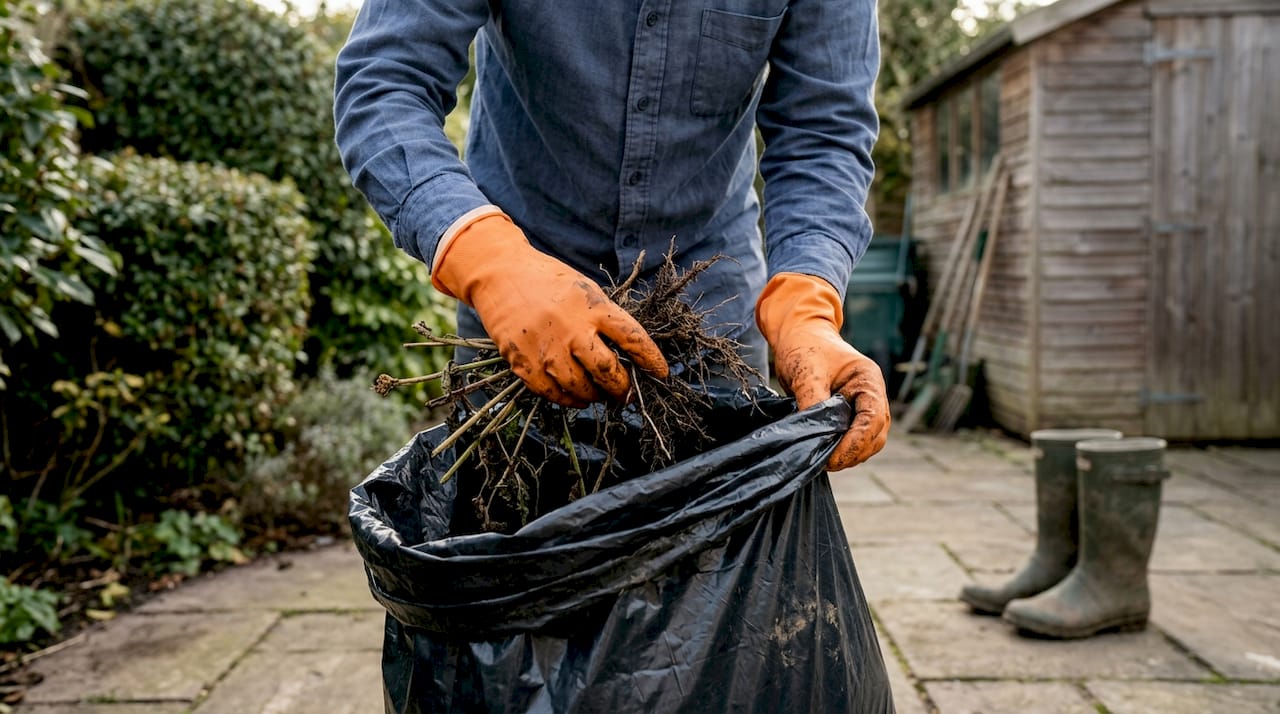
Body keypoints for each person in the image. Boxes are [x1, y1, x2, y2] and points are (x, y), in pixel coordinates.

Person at [334, 0, 889, 470]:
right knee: (519, 556)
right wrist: (488, 261)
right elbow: (387, 81)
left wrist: (806, 306)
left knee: (715, 575)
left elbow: (823, 129)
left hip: (711, 313)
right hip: (525, 308)